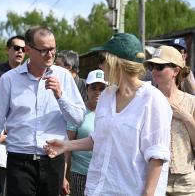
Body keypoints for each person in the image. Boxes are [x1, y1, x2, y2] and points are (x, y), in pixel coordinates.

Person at [44, 33, 173, 196]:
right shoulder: (107, 96)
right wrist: (66, 145)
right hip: (98, 189)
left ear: (115, 63)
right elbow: (98, 139)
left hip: (130, 191)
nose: (100, 65)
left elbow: (157, 155)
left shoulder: (153, 100)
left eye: (102, 59)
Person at [0, 26, 86, 196]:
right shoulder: (9, 79)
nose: (50, 54)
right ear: (28, 50)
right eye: (44, 50)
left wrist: (60, 96)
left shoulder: (64, 77)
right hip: (20, 161)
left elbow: (78, 119)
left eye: (53, 49)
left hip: (53, 160)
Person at [144, 45, 195, 195]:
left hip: (185, 181)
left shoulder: (191, 102)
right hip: (154, 178)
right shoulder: (146, 100)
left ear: (176, 71)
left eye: (159, 67)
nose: (153, 71)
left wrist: (185, 117)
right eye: (152, 66)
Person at [63, 69, 107, 196]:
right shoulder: (78, 112)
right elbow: (67, 145)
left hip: (104, 174)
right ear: (87, 89)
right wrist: (63, 176)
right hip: (80, 173)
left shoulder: (113, 113)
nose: (97, 92)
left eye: (102, 88)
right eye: (93, 88)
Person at [0, 35, 25, 196]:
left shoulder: (28, 74)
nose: (20, 51)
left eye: (24, 49)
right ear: (7, 50)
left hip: (19, 137)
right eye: (16, 48)